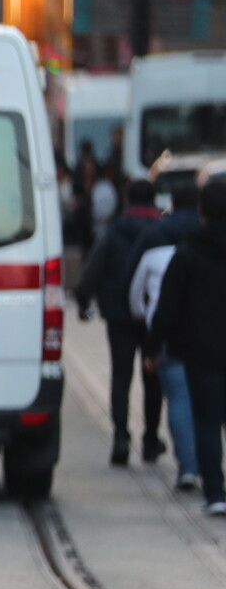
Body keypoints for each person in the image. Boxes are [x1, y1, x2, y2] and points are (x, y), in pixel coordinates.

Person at [148, 177, 226, 517]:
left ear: (202, 212)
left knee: (207, 421)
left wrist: (153, 348)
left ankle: (215, 491)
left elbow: (168, 306)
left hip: (201, 352)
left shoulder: (188, 252)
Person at [76, 178, 163, 465]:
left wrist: (84, 299)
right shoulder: (161, 230)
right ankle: (150, 439)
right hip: (153, 315)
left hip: (118, 314)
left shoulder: (113, 231)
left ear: (128, 200)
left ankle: (121, 437)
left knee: (121, 376)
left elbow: (93, 268)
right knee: (153, 377)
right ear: (153, 200)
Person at [130, 181, 203, 490]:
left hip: (173, 337)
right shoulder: (208, 241)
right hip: (212, 337)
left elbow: (145, 300)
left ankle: (189, 466)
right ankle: (210, 470)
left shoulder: (157, 244)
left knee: (179, 399)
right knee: (209, 405)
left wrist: (151, 343)